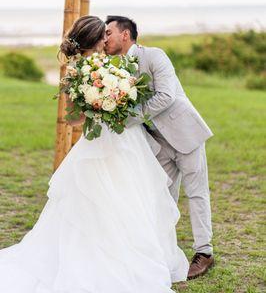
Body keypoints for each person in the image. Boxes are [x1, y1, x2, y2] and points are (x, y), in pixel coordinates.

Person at [0, 15, 189, 293]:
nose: (107, 39)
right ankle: (111, 260)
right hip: (108, 142)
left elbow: (76, 119)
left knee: (124, 198)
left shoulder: (90, 68)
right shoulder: (86, 71)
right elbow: (74, 118)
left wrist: (110, 101)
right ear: (97, 38)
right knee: (115, 198)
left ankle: (122, 254)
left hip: (120, 140)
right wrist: (102, 103)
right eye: (104, 35)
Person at [105, 15, 214, 280]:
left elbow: (166, 95)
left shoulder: (155, 56)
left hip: (184, 133)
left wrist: (129, 118)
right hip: (157, 143)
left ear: (125, 35)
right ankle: (162, 252)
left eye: (108, 33)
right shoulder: (118, 70)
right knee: (161, 198)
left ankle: (205, 252)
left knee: (197, 193)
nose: (104, 38)